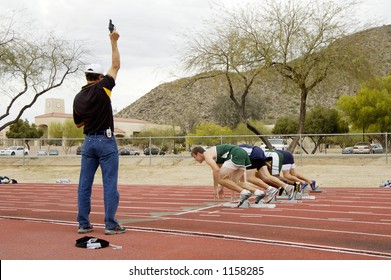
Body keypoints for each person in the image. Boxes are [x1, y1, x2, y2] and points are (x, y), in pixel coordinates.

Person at [73, 28, 125, 235]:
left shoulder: (77, 97)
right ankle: (110, 224)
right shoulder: (103, 87)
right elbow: (116, 65)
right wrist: (113, 41)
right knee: (109, 185)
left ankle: (83, 223)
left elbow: (78, 124)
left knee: (84, 185)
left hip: (88, 143)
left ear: (87, 77)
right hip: (106, 141)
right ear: (100, 76)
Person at [191, 145, 266, 207]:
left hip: (236, 153)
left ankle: (244, 193)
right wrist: (221, 188)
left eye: (195, 157)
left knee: (220, 179)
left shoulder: (207, 155)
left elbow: (216, 170)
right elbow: (223, 173)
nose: (196, 160)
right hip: (242, 153)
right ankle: (258, 192)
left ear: (198, 154)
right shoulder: (216, 156)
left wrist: (215, 188)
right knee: (235, 182)